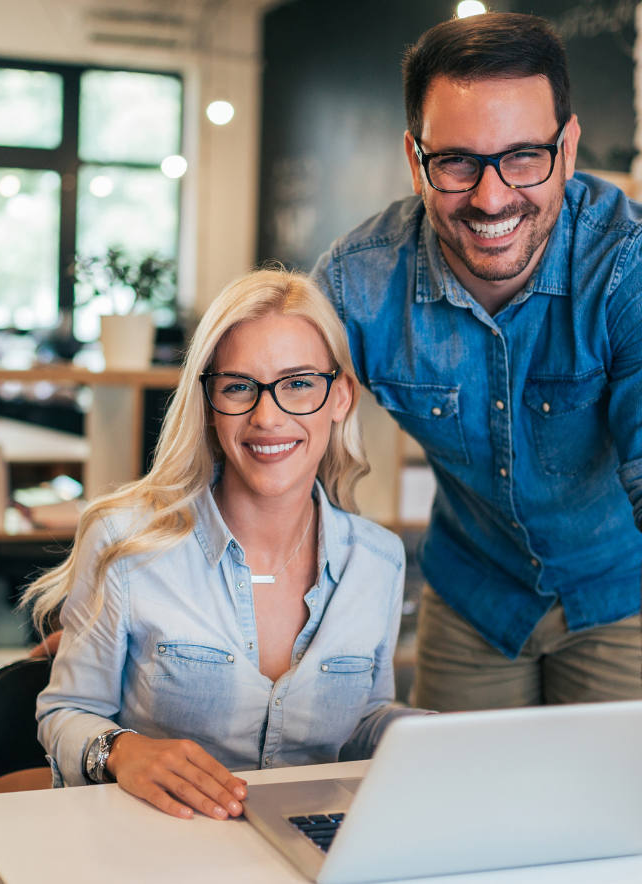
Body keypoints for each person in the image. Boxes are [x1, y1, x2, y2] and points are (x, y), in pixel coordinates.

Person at [309, 12, 642, 824]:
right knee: (452, 829)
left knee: (629, 825)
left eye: (524, 157)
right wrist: (131, 599)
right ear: (414, 158)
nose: (492, 198)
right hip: (473, 594)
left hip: (623, 597)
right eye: (456, 162)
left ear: (567, 147)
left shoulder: (638, 265)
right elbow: (256, 441)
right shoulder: (358, 282)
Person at [27, 268, 424, 820]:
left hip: (309, 849)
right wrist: (123, 751)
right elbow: (66, 711)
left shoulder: (378, 560)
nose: (267, 417)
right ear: (210, 404)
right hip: (159, 850)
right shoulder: (126, 542)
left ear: (340, 398)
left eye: (298, 384)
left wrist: (432, 734)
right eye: (239, 387)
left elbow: (361, 722)